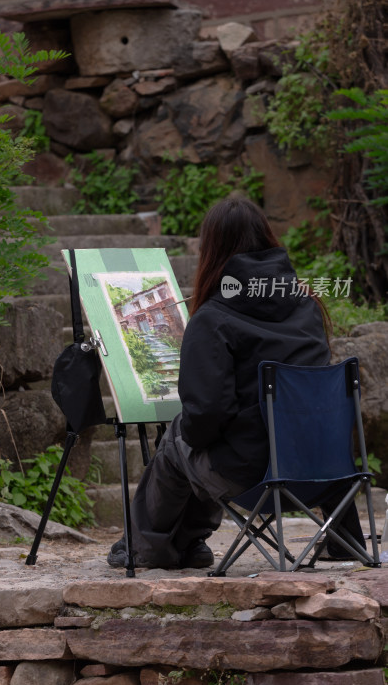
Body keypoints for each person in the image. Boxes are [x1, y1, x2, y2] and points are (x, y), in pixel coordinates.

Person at [107, 195, 364, 570]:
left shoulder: (214, 318)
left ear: (213, 250)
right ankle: (345, 538)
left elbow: (207, 415)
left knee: (181, 438)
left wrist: (193, 436)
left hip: (256, 478)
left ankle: (145, 548)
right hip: (325, 471)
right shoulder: (307, 304)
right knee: (216, 438)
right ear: (267, 238)